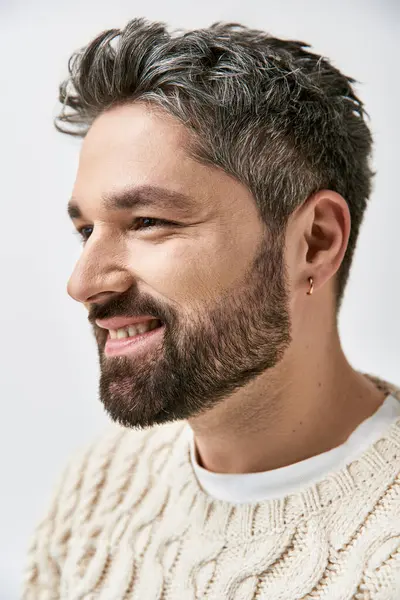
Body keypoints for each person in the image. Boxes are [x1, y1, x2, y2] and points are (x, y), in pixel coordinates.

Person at [22, 17, 400, 599]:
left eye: (147, 222)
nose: (83, 282)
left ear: (315, 242)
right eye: (86, 230)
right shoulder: (95, 491)